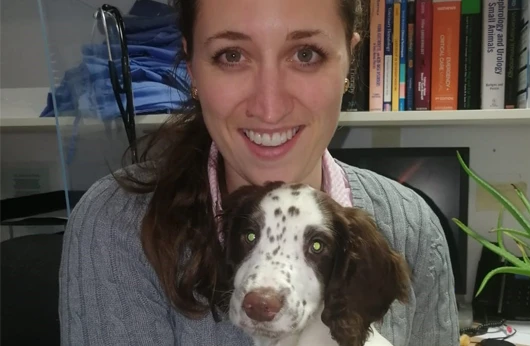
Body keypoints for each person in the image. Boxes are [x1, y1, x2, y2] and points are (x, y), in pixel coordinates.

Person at [58, 0, 460, 344]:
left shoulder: (413, 228)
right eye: (231, 55)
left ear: (349, 63)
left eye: (306, 54)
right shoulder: (114, 226)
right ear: (192, 69)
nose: (269, 107)